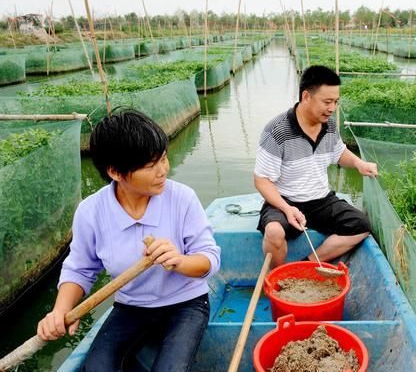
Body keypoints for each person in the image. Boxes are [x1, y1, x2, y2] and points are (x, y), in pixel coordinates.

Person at [37, 108, 221, 372]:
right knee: (97, 368)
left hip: (186, 304)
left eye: (164, 158)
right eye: (150, 165)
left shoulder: (182, 198)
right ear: (115, 171)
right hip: (131, 306)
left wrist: (179, 261)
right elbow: (80, 269)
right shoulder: (91, 212)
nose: (163, 171)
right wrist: (59, 311)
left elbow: (209, 261)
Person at [254, 65, 378, 268]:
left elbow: (339, 154)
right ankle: (278, 275)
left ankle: (308, 264)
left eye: (336, 102)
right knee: (274, 231)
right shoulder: (277, 131)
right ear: (306, 97)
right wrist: (287, 208)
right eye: (327, 102)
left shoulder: (329, 125)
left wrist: (358, 163)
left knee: (361, 226)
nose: (332, 108)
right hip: (285, 200)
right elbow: (261, 180)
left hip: (321, 200)